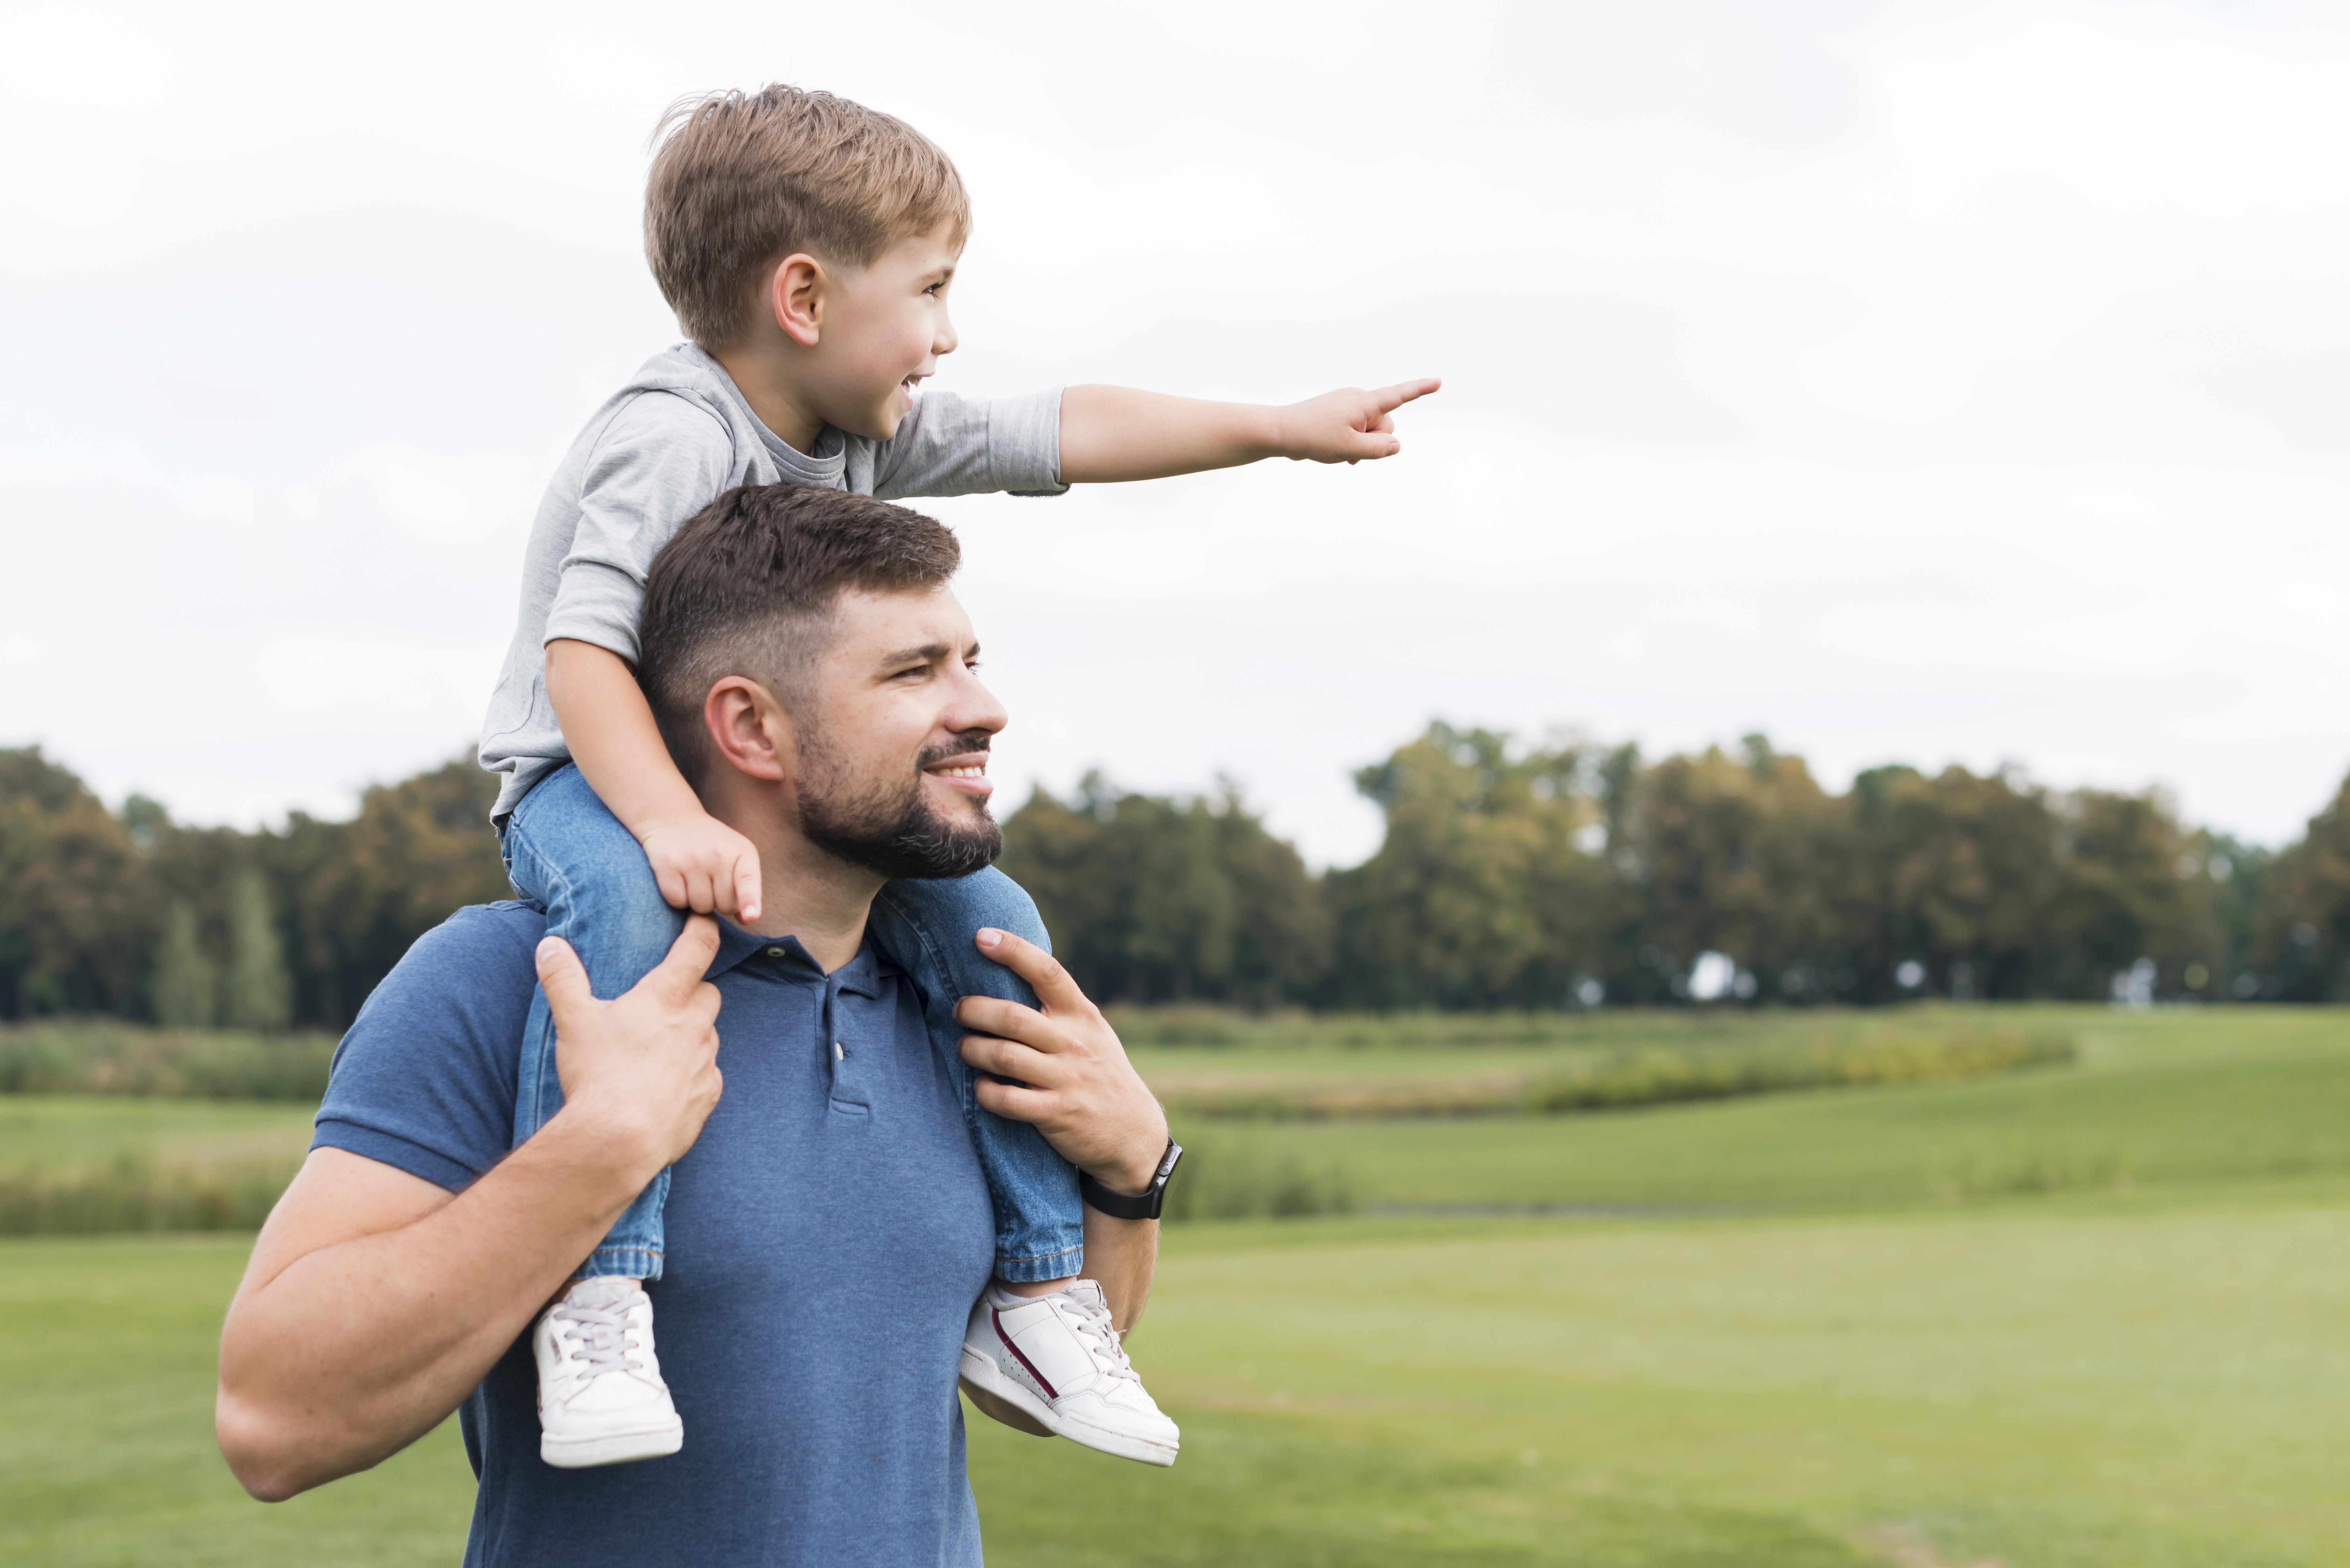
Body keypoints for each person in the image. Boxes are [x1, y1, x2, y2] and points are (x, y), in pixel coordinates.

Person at [475, 80, 1437, 1465]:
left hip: (744, 788)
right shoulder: (671, 432)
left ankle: (1040, 1286)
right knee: (628, 919)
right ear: (803, 296)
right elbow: (581, 655)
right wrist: (667, 817)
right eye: (929, 288)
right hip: (588, 772)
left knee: (999, 926)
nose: (948, 330)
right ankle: (598, 1289)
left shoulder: (855, 432)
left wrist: (1273, 426)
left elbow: (1062, 432)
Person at [217, 484, 1179, 1564]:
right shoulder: (505, 981)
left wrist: (1131, 1174)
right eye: (916, 671)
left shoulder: (977, 1000)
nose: (985, 705)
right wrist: (598, 1153)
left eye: (970, 658)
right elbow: (274, 1425)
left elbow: (1028, 1392)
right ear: (751, 727)